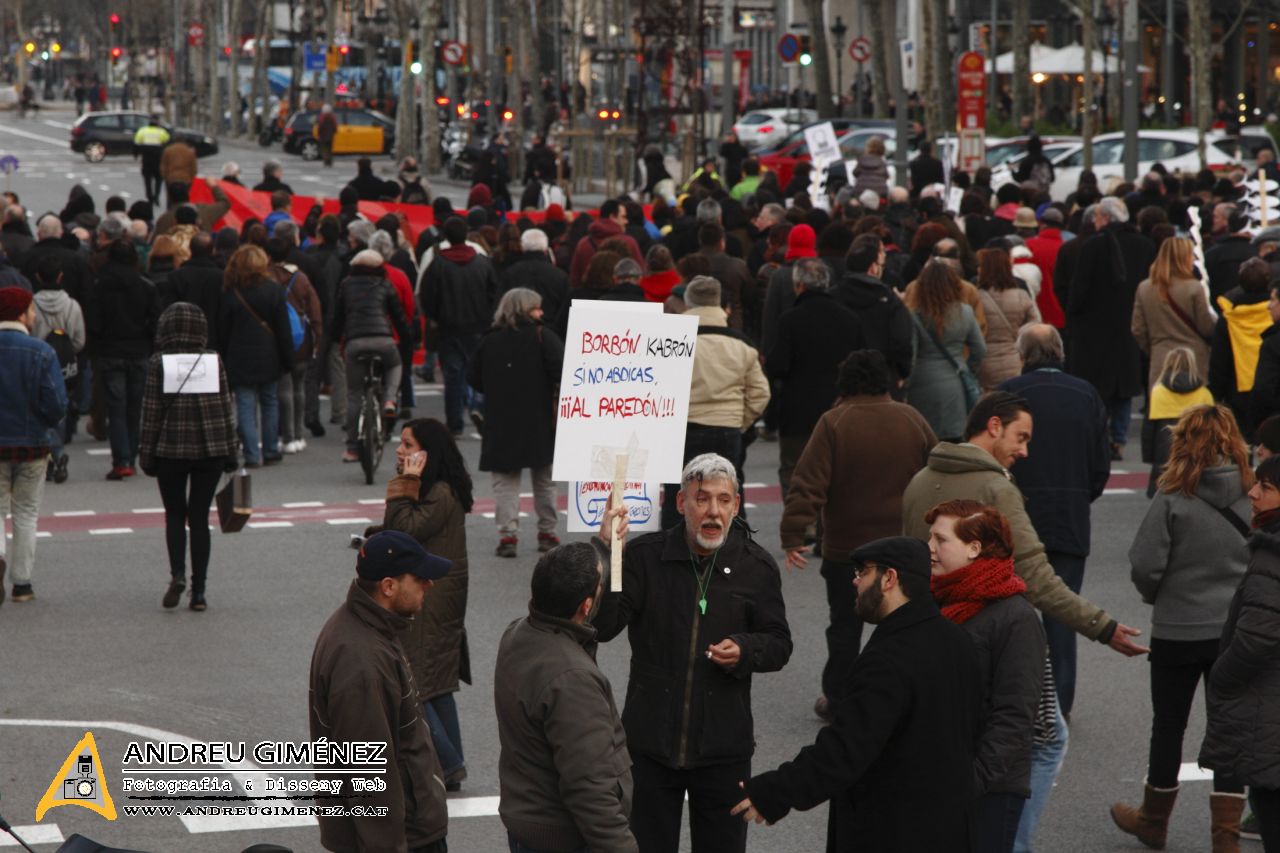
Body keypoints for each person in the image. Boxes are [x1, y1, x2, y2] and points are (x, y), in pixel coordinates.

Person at [594, 452, 792, 853]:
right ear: (682, 503)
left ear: (736, 505)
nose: (713, 510)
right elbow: (603, 626)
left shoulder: (756, 566)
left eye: (723, 500)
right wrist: (607, 553)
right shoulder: (645, 557)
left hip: (724, 749)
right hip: (649, 746)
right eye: (702, 499)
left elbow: (779, 643)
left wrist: (746, 649)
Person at [731, 536, 982, 852]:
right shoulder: (958, 639)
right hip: (952, 826)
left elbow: (846, 747)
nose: (855, 580)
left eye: (863, 572)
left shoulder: (888, 658)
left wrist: (776, 791)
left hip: (894, 830)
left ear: (889, 579)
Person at [903, 391, 1148, 656]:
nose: (1024, 451)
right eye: (1021, 438)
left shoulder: (920, 480)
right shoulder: (996, 489)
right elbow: (1034, 574)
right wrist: (1101, 626)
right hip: (981, 638)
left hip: (920, 632)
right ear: (995, 426)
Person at [1118, 404, 1251, 851]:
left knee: (1169, 725)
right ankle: (1226, 837)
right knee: (1228, 727)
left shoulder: (1173, 495)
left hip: (1177, 629)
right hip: (1234, 629)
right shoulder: (1252, 492)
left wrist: (1159, 596)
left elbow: (1145, 564)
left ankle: (1153, 821)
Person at [782, 350, 936, 720]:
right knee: (905, 622)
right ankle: (905, 695)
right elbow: (934, 473)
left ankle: (839, 699)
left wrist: (793, 533)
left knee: (845, 627)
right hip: (903, 546)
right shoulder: (911, 418)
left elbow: (808, 483)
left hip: (847, 549)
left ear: (844, 383)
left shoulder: (834, 422)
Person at [308, 529, 451, 853]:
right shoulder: (362, 661)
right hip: (404, 837)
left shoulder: (368, 626)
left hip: (406, 827)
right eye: (419, 578)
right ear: (388, 586)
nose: (429, 584)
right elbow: (369, 773)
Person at [495, 541, 639, 853]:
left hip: (529, 823)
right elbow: (590, 787)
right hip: (566, 837)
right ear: (586, 607)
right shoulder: (571, 678)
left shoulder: (518, 633)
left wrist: (606, 547)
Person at [998, 325, 1111, 718]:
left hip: (1015, 515)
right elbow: (1100, 465)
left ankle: (1017, 702)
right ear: (1060, 352)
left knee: (1011, 616)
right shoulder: (1086, 393)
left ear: (1022, 355)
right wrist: (1080, 496)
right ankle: (1059, 708)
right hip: (1069, 514)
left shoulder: (1008, 394)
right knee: (1063, 613)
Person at [926, 501, 1047, 852]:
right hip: (936, 776)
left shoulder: (1015, 617)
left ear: (974, 548)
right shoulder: (936, 599)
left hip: (988, 788)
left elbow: (1015, 713)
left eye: (940, 540)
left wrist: (973, 780)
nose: (929, 547)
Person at [384, 417, 474, 794]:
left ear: (427, 452)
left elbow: (402, 530)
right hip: (439, 595)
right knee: (435, 680)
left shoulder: (439, 492)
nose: (400, 451)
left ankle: (447, 762)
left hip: (430, 599)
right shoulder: (439, 487)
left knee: (414, 681)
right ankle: (453, 764)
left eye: (408, 445)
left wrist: (406, 481)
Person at [1201, 454, 1280, 850]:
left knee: (1270, 804)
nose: (1252, 492)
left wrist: (1222, 675)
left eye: (1266, 486)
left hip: (1269, 704)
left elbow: (1257, 637)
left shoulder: (1272, 553)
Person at [137, 303, 238, 612]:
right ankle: (199, 592)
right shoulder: (213, 361)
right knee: (199, 517)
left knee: (174, 514)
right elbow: (225, 408)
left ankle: (177, 573)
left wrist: (146, 453)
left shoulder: (159, 363)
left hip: (171, 450)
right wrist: (231, 449)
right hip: (210, 450)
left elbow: (151, 412)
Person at [660, 276, 770, 530]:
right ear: (719, 302)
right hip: (727, 428)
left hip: (685, 429)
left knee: (679, 495)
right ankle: (734, 545)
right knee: (728, 492)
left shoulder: (674, 341)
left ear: (688, 302)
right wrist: (739, 421)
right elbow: (761, 393)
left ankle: (673, 547)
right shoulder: (741, 344)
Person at [468, 288, 563, 558]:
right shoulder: (543, 336)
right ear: (525, 310)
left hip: (501, 419)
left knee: (505, 482)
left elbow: (473, 377)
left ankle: (508, 534)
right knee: (544, 479)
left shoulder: (490, 340)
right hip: (539, 418)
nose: (541, 312)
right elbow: (562, 370)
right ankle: (547, 531)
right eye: (537, 307)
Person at [1062, 198, 1155, 460]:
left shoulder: (1092, 246)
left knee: (1097, 387)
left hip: (1094, 329)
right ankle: (1119, 438)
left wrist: (1073, 316)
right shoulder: (1145, 245)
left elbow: (1079, 289)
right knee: (1124, 387)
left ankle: (1100, 437)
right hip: (1129, 325)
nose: (1094, 221)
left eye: (1097, 216)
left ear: (1104, 218)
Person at [766, 258, 864, 503]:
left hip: (798, 410)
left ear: (799, 285)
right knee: (834, 471)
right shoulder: (850, 319)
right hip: (840, 409)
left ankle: (799, 520)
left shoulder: (789, 320)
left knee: (795, 469)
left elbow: (777, 366)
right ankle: (826, 521)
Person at [0, 287, 67, 603]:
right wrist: (44, 423)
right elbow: (57, 403)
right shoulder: (42, 351)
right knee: (26, 512)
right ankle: (22, 584)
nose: (35, 315)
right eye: (30, 309)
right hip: (33, 445)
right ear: (20, 313)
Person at [86, 239, 160, 479]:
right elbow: (155, 321)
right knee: (135, 409)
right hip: (138, 351)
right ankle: (133, 457)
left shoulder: (100, 286)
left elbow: (93, 323)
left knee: (116, 408)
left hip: (110, 352)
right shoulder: (146, 286)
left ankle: (121, 460)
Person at [418, 217, 499, 437]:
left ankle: (455, 423)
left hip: (449, 328)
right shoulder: (482, 263)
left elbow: (427, 295)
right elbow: (494, 293)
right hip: (478, 326)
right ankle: (479, 407)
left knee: (453, 376)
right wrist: (488, 317)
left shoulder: (438, 264)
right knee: (481, 372)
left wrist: (435, 317)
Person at [329, 249, 411, 462]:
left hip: (355, 342)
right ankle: (390, 400)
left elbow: (338, 318)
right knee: (395, 365)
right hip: (383, 339)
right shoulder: (385, 284)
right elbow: (399, 317)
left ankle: (352, 449)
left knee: (355, 394)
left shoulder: (346, 285)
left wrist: (336, 340)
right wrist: (407, 339)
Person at [218, 244, 294, 468]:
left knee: (245, 405)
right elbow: (283, 330)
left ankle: (252, 453)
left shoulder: (231, 292)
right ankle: (270, 450)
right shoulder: (274, 291)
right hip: (269, 354)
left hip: (239, 356)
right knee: (270, 402)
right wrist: (288, 358)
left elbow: (223, 330)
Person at [905, 259, 987, 441]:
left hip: (922, 383)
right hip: (955, 382)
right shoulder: (965, 312)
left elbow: (911, 355)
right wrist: (968, 369)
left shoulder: (914, 316)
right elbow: (980, 349)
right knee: (955, 439)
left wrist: (905, 385)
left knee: (924, 438)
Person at [1132, 236, 1216, 397]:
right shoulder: (1194, 288)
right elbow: (1206, 327)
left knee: (1163, 406)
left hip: (1160, 358)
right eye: (1191, 254)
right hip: (1194, 359)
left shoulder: (1144, 288)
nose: (1194, 259)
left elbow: (1138, 329)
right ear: (1183, 257)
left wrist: (1154, 347)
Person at [30, 256, 85, 483]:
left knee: (39, 408)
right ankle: (59, 450)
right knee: (60, 406)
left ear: (38, 277)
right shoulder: (72, 305)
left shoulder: (31, 305)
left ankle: (50, 454)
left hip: (37, 362)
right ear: (60, 276)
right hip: (64, 364)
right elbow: (80, 340)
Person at [1211, 257, 1274, 440]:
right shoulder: (1272, 312)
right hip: (1271, 384)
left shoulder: (1230, 317)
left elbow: (1219, 360)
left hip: (1238, 387)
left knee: (1241, 440)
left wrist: (1216, 393)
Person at [976, 247, 1041, 390]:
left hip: (984, 363)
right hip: (1014, 359)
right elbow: (1035, 326)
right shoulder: (1021, 295)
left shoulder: (976, 297)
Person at [568, 199, 642, 288]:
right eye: (623, 217)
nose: (626, 221)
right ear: (612, 216)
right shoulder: (629, 243)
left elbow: (575, 279)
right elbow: (640, 274)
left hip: (590, 294)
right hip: (620, 295)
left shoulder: (583, 244)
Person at [132, 114, 170, 206]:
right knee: (159, 179)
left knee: (147, 179)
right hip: (158, 158)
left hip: (147, 159)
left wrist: (136, 154)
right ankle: (157, 196)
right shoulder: (161, 131)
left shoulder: (142, 131)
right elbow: (167, 141)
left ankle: (150, 197)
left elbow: (136, 143)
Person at [158, 137, 198, 210]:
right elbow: (193, 167)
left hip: (171, 178)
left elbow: (163, 165)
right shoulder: (190, 151)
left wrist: (165, 176)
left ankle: (171, 212)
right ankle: (183, 212)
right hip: (186, 178)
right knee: (184, 199)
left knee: (171, 199)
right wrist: (191, 178)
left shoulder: (168, 150)